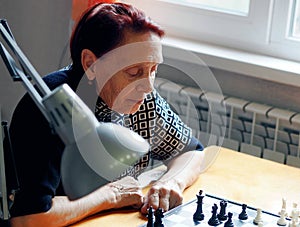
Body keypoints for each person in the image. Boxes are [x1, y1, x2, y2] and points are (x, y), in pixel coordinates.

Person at [6, 2, 204, 226]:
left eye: (153, 70)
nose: (148, 86)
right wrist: (110, 196)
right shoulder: (51, 108)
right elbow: (29, 218)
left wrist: (172, 183)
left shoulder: (141, 98)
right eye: (133, 72)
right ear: (91, 64)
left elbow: (191, 151)